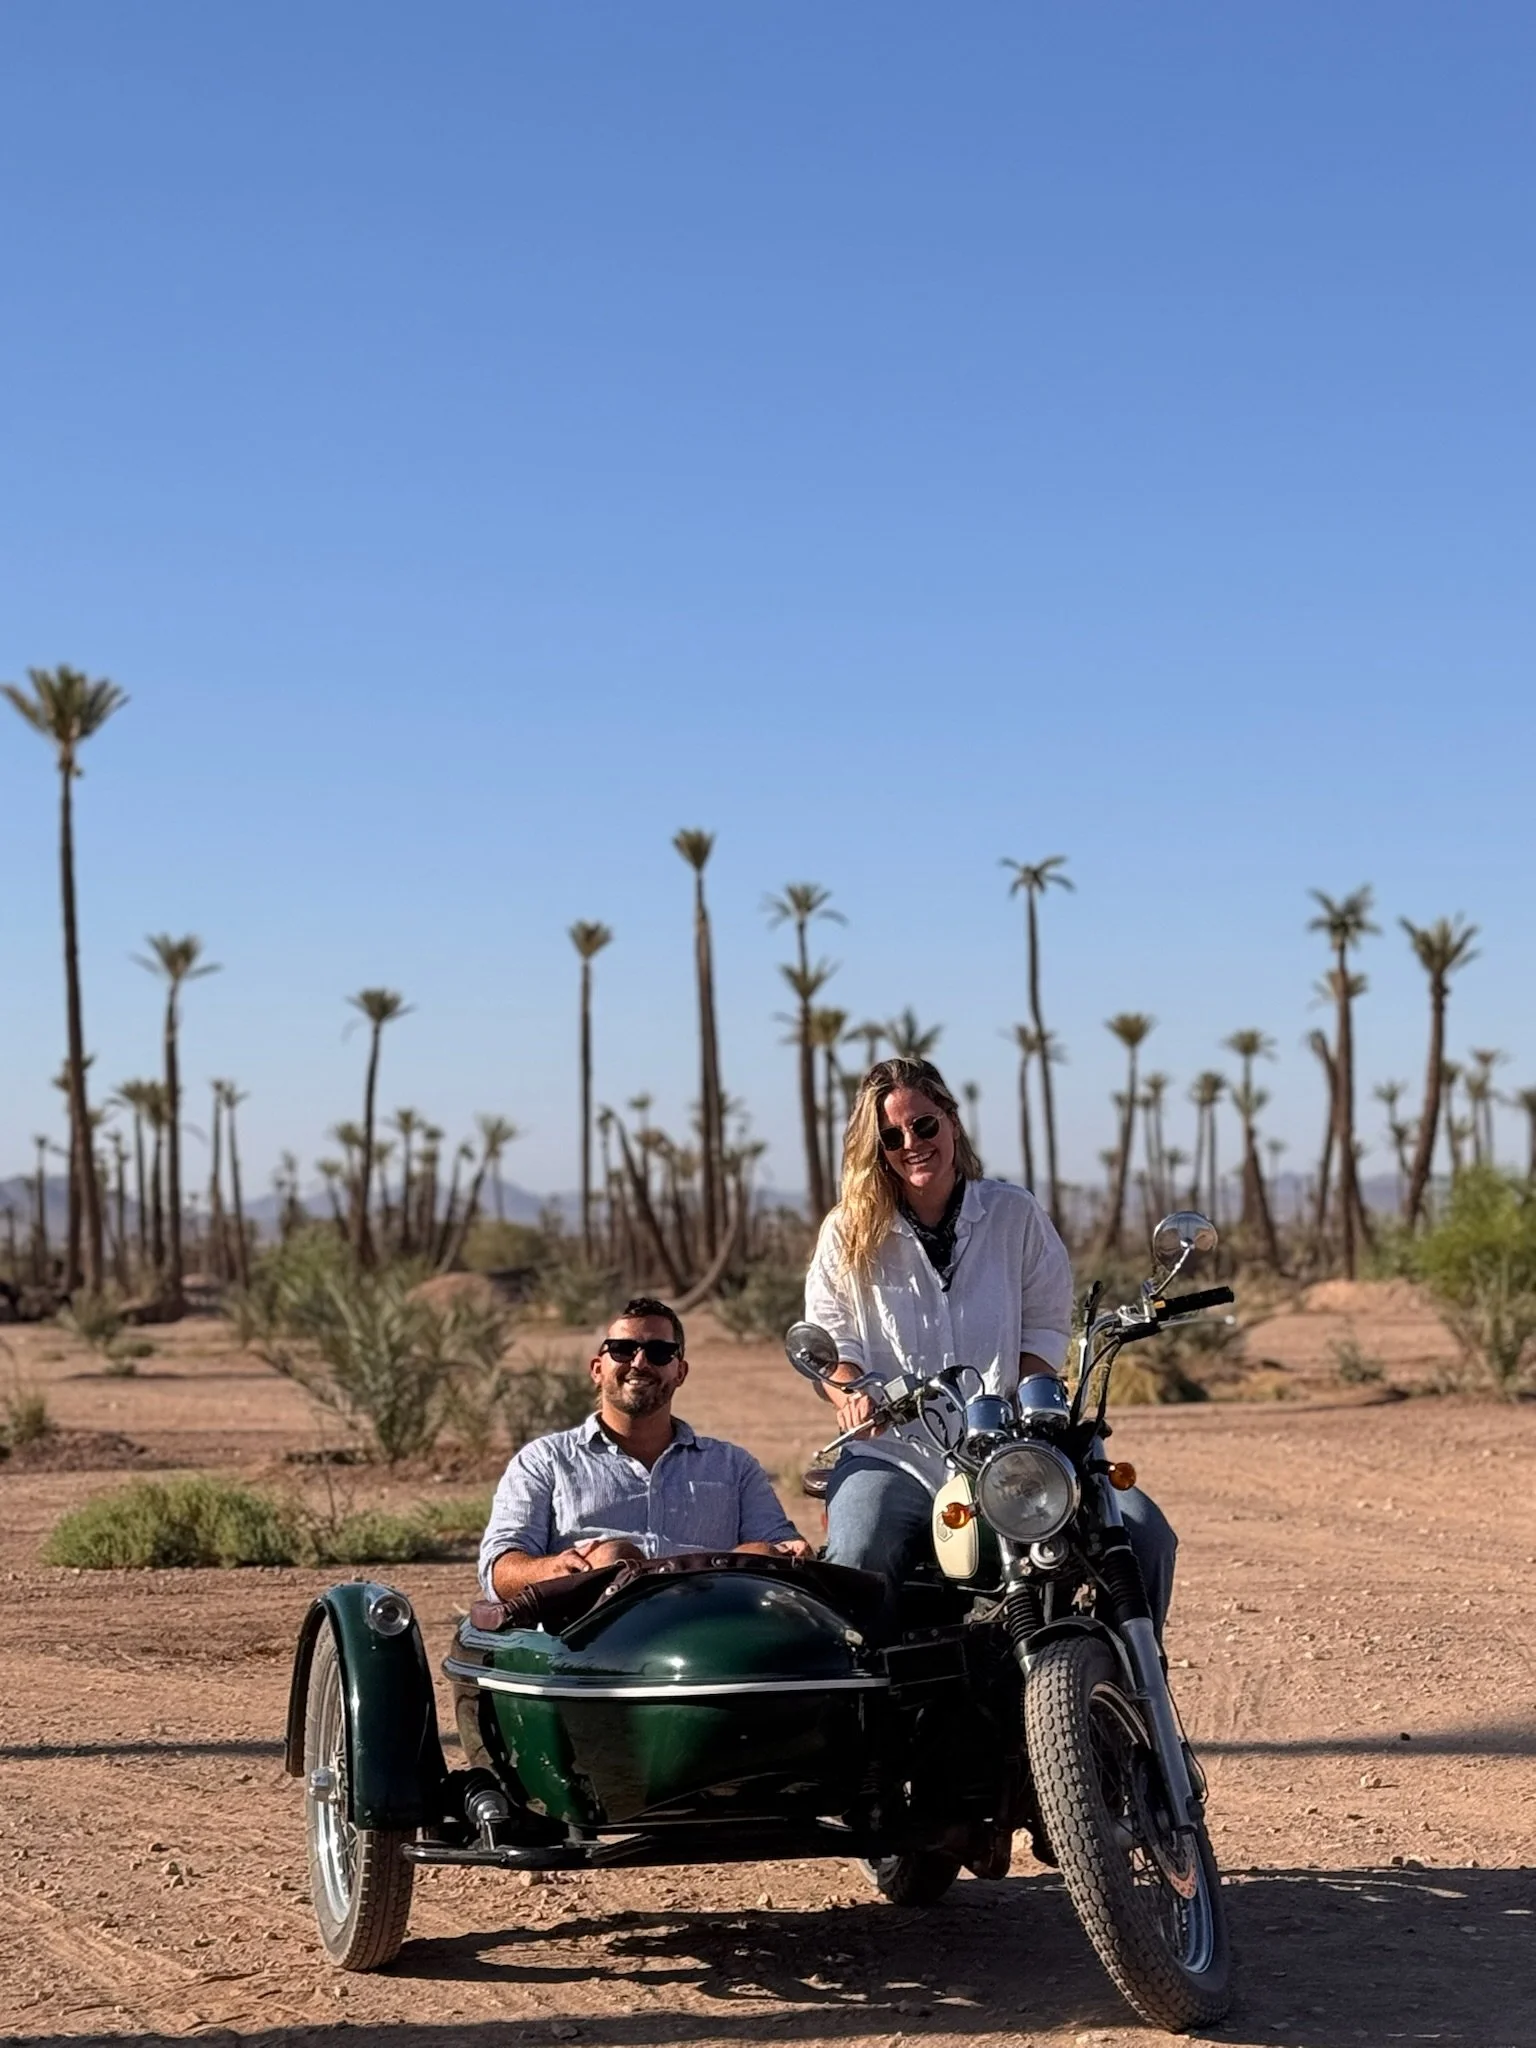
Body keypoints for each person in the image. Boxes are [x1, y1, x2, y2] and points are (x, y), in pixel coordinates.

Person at [804, 1056, 1177, 1630]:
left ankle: (1128, 1684)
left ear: (951, 1121)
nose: (913, 1143)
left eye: (925, 1125)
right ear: (874, 1148)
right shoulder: (848, 1232)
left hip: (1012, 1449)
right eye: (892, 1135)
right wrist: (854, 1397)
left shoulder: (1014, 1213)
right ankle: (862, 1704)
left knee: (1143, 1532)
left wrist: (1028, 1409)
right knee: (858, 1552)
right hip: (896, 1453)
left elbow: (1045, 1329)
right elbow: (834, 1344)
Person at [479, 1295, 808, 1599]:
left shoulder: (733, 1466)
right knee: (613, 1557)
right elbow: (499, 1567)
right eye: (622, 1349)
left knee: (762, 1556)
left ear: (680, 1372)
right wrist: (557, 1568)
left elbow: (778, 1548)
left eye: (659, 1352)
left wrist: (789, 1550)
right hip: (596, 1634)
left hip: (713, 1622)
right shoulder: (545, 1460)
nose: (639, 1363)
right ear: (597, 1369)